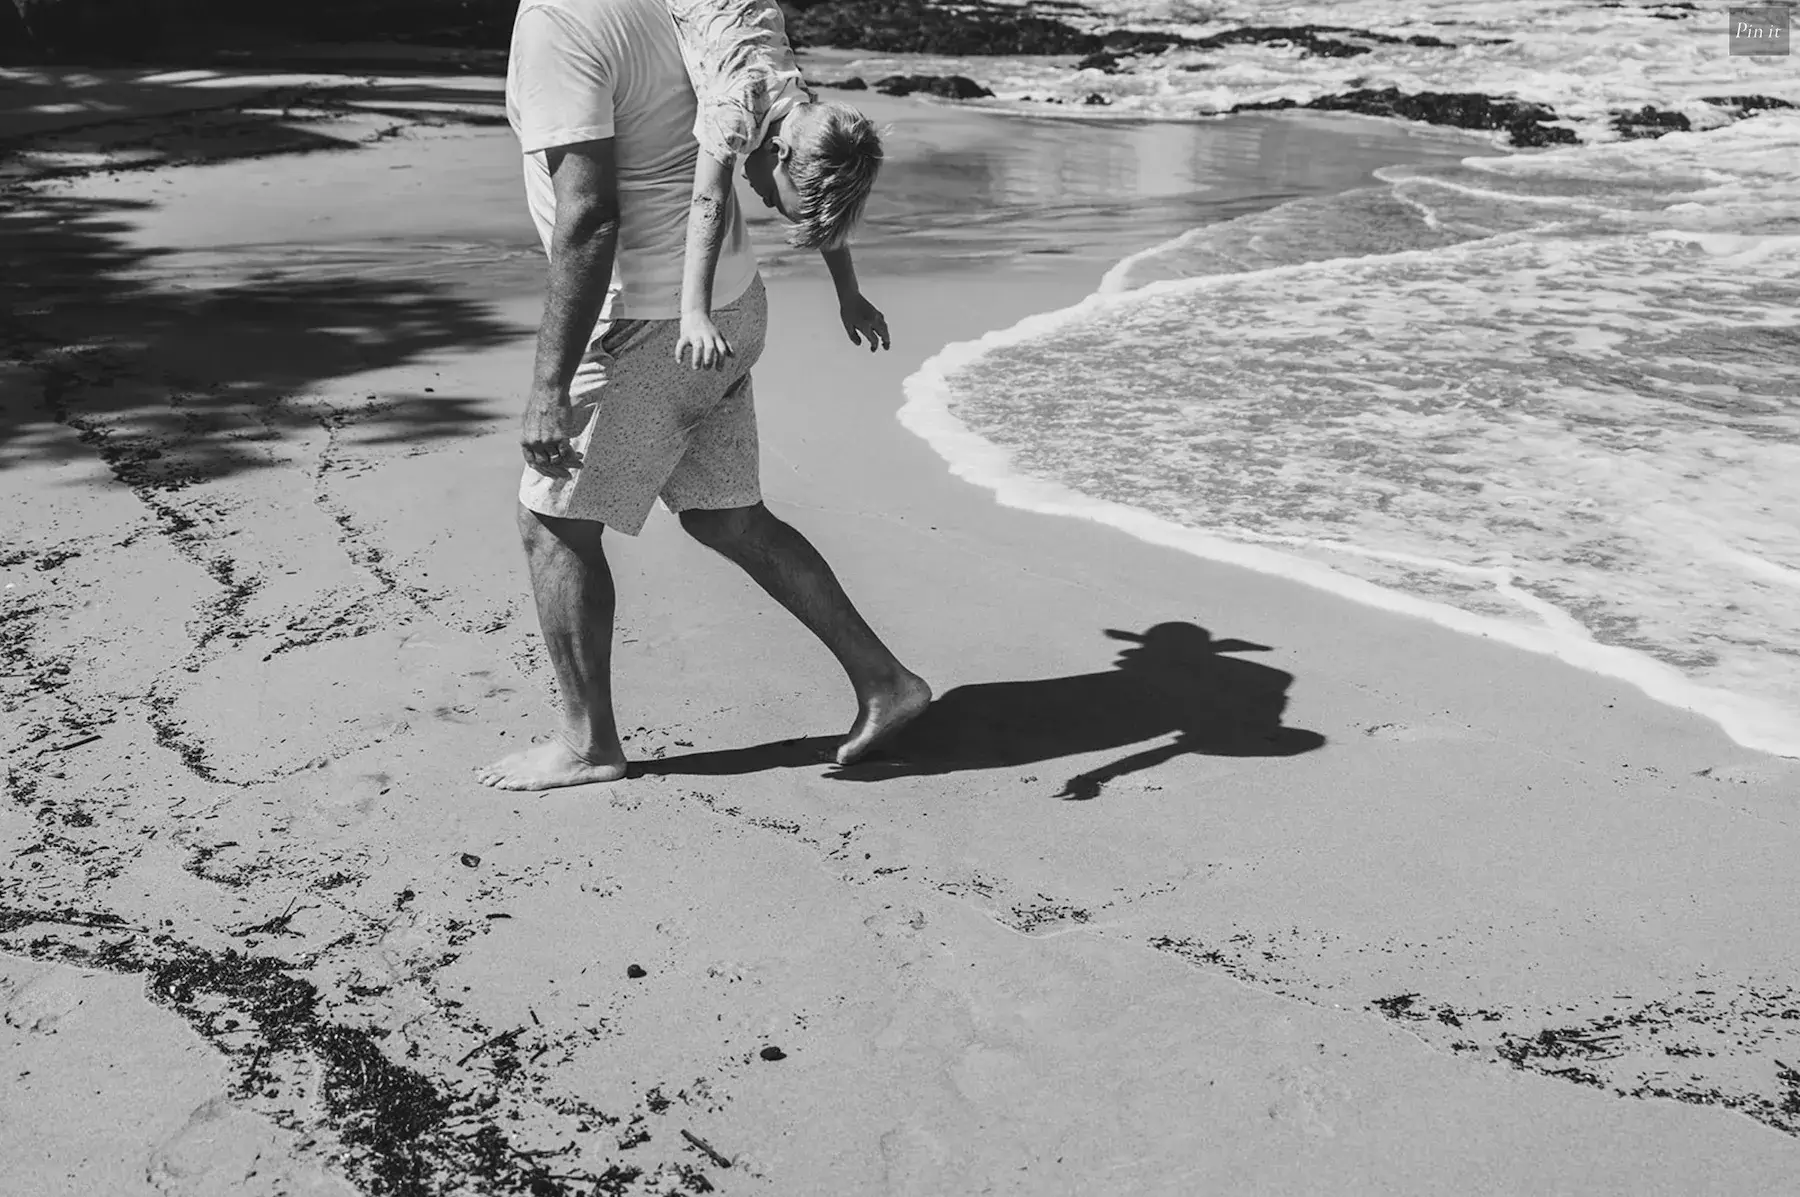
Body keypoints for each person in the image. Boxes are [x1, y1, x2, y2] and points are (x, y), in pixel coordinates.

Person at [477, 0, 930, 792]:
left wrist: (550, 384)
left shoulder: (557, 18)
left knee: (552, 522)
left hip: (653, 323)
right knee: (728, 514)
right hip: (730, 304)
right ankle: (886, 682)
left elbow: (588, 216)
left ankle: (588, 745)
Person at [661, 0, 890, 371]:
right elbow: (708, 200)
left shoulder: (802, 111)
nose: (767, 204)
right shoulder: (737, 112)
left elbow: (818, 205)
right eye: (773, 199)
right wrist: (695, 312)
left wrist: (849, 294)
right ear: (779, 152)